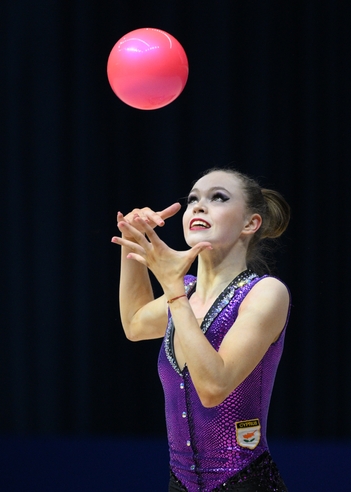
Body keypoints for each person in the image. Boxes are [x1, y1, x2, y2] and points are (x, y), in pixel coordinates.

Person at [112, 168, 291, 491]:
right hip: (179, 484)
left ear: (250, 223)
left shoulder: (264, 292)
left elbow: (212, 387)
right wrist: (133, 239)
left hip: (245, 483)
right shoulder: (185, 291)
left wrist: (173, 290)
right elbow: (135, 324)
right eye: (192, 199)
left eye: (218, 198)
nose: (198, 206)